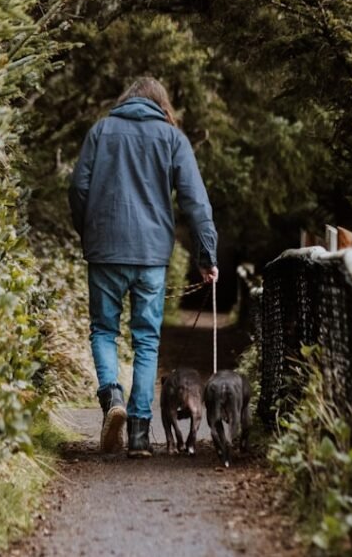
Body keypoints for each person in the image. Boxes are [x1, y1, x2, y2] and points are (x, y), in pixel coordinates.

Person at [69, 77, 218, 457]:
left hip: (105, 250)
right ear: (162, 104)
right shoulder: (172, 139)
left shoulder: (101, 131)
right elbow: (196, 202)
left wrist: (91, 232)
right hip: (151, 255)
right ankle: (138, 434)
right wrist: (207, 256)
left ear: (125, 101)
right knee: (146, 339)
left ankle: (111, 396)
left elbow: (79, 189)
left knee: (104, 329)